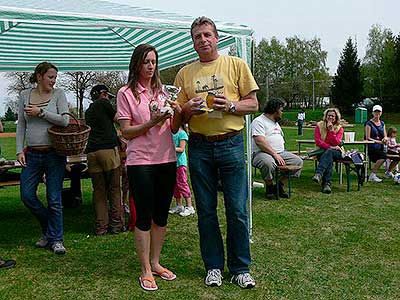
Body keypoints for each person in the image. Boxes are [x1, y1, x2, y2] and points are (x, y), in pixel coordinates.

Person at [173, 16, 258, 289]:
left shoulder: (236, 65)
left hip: (231, 143)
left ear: (217, 37)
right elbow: (176, 121)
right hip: (198, 146)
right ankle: (213, 267)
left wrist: (231, 106)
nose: (203, 40)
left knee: (237, 210)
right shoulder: (184, 74)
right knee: (206, 211)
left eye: (207, 34)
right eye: (198, 36)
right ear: (193, 42)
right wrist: (187, 110)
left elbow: (253, 103)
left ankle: (240, 268)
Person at [117, 44, 180, 291]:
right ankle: (145, 269)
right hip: (141, 161)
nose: (151, 66)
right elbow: (126, 132)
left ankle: (156, 263)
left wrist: (176, 114)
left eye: (154, 61)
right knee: (143, 216)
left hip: (167, 159)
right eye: (146, 62)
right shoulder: (126, 93)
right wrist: (151, 121)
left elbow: (174, 129)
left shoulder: (164, 92)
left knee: (161, 216)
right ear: (136, 64)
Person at [16, 62, 70, 254]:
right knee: (27, 195)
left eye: (55, 77)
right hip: (32, 154)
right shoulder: (24, 95)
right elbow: (21, 124)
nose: (53, 81)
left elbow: (65, 120)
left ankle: (56, 240)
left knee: (54, 198)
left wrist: (42, 112)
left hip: (54, 154)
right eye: (50, 77)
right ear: (39, 76)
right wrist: (19, 151)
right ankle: (49, 229)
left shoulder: (58, 94)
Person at [85, 84, 124, 235]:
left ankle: (101, 227)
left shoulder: (88, 111)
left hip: (92, 152)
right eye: (108, 95)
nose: (109, 98)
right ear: (103, 94)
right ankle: (116, 226)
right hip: (108, 149)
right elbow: (118, 120)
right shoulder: (103, 103)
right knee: (114, 189)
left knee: (99, 191)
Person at [251, 99, 303, 199]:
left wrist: (279, 153)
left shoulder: (276, 123)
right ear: (275, 110)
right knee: (268, 162)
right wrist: (275, 154)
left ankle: (279, 186)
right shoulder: (259, 121)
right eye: (281, 110)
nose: (282, 113)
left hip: (280, 152)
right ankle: (269, 187)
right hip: (260, 153)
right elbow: (260, 141)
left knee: (298, 162)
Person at [311, 108, 344, 194]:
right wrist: (330, 147)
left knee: (329, 153)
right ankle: (326, 184)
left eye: (333, 116)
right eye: (329, 115)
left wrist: (331, 131)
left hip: (337, 151)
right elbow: (318, 141)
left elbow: (337, 142)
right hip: (321, 151)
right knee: (328, 158)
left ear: (336, 117)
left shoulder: (339, 128)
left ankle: (319, 174)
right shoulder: (319, 125)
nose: (330, 117)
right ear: (325, 116)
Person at [365, 105, 398, 181]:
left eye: (379, 111)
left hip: (383, 147)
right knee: (383, 156)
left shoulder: (382, 123)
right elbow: (368, 137)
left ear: (381, 113)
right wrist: (379, 142)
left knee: (398, 156)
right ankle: (372, 175)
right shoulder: (368, 123)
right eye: (375, 111)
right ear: (373, 112)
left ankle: (388, 172)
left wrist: (385, 139)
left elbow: (385, 135)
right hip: (372, 147)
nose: (377, 113)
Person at [169, 125, 195, 216]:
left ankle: (189, 206)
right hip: (172, 163)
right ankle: (179, 205)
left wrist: (169, 148)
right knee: (175, 185)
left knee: (182, 183)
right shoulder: (170, 133)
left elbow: (181, 149)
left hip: (180, 163)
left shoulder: (182, 133)